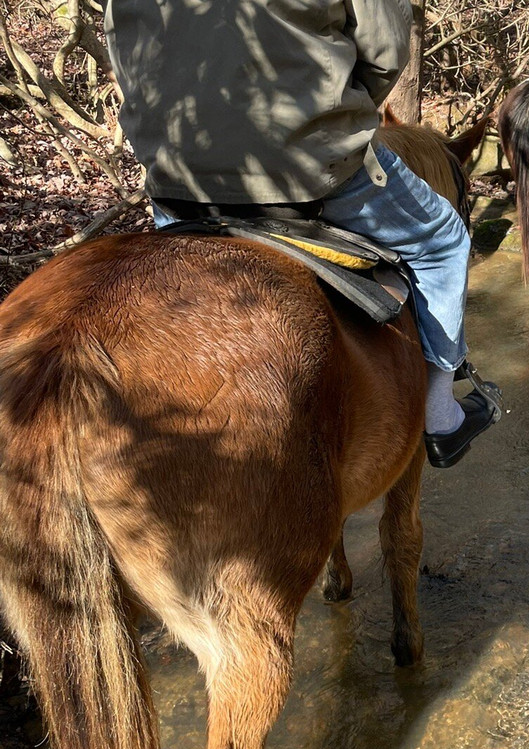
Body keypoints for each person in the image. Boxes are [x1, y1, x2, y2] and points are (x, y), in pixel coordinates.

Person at [103, 0, 499, 469]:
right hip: (311, 165)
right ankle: (440, 418)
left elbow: (121, 44)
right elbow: (386, 48)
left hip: (177, 174)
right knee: (444, 242)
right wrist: (332, 116)